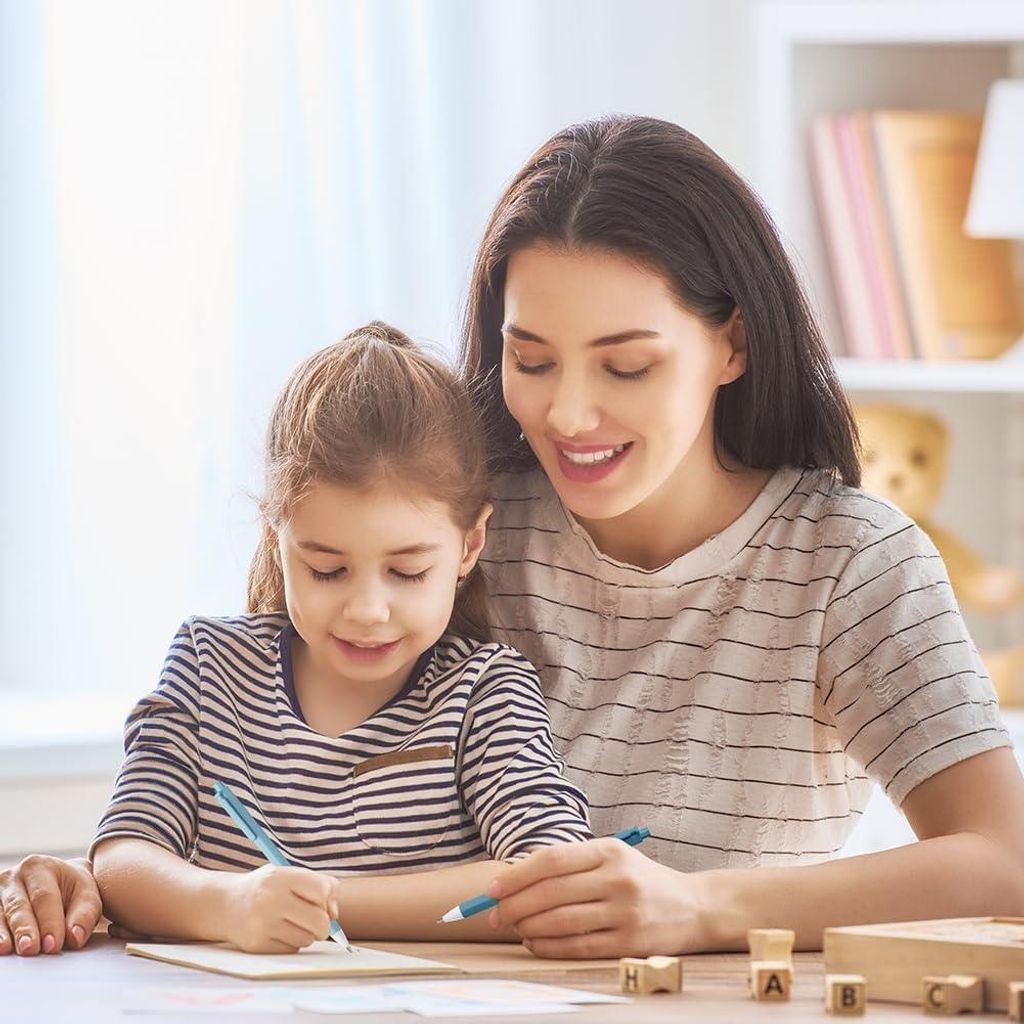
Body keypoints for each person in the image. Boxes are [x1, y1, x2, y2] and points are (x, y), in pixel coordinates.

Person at [6, 115, 1024, 959]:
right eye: (530, 359)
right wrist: (104, 883)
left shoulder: (849, 562)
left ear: (732, 345)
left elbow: (1005, 861)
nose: (569, 415)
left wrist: (705, 907)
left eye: (624, 366)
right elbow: (273, 766)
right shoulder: (454, 521)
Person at [5, 322, 592, 956]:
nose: (368, 610)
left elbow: (555, 878)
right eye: (326, 569)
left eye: (408, 571)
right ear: (276, 539)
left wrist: (321, 903)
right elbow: (124, 858)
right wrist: (229, 906)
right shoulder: (209, 668)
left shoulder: (485, 692)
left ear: (469, 545)